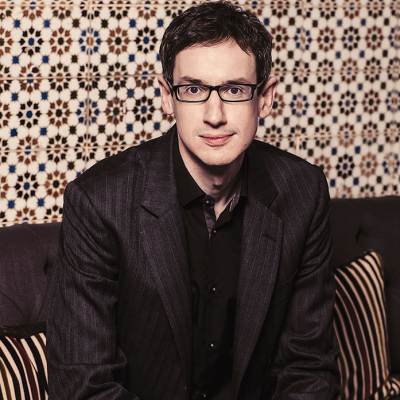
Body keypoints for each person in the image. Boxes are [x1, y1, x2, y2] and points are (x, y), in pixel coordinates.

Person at [47, 1, 340, 399]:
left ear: (265, 98)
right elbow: (84, 386)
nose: (214, 115)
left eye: (234, 90)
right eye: (194, 90)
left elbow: (309, 369)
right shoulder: (98, 202)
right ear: (167, 97)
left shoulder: (303, 192)